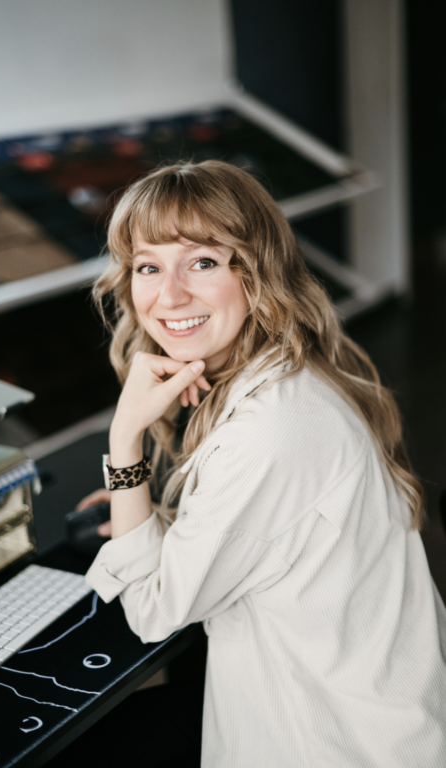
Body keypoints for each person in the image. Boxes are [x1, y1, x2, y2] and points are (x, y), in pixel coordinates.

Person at [80, 160, 446, 767]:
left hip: (337, 744)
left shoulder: (270, 432)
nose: (169, 294)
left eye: (202, 261)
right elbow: (264, 534)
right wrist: (147, 513)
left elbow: (151, 609)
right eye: (149, 266)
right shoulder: (290, 376)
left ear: (255, 271)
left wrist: (126, 442)